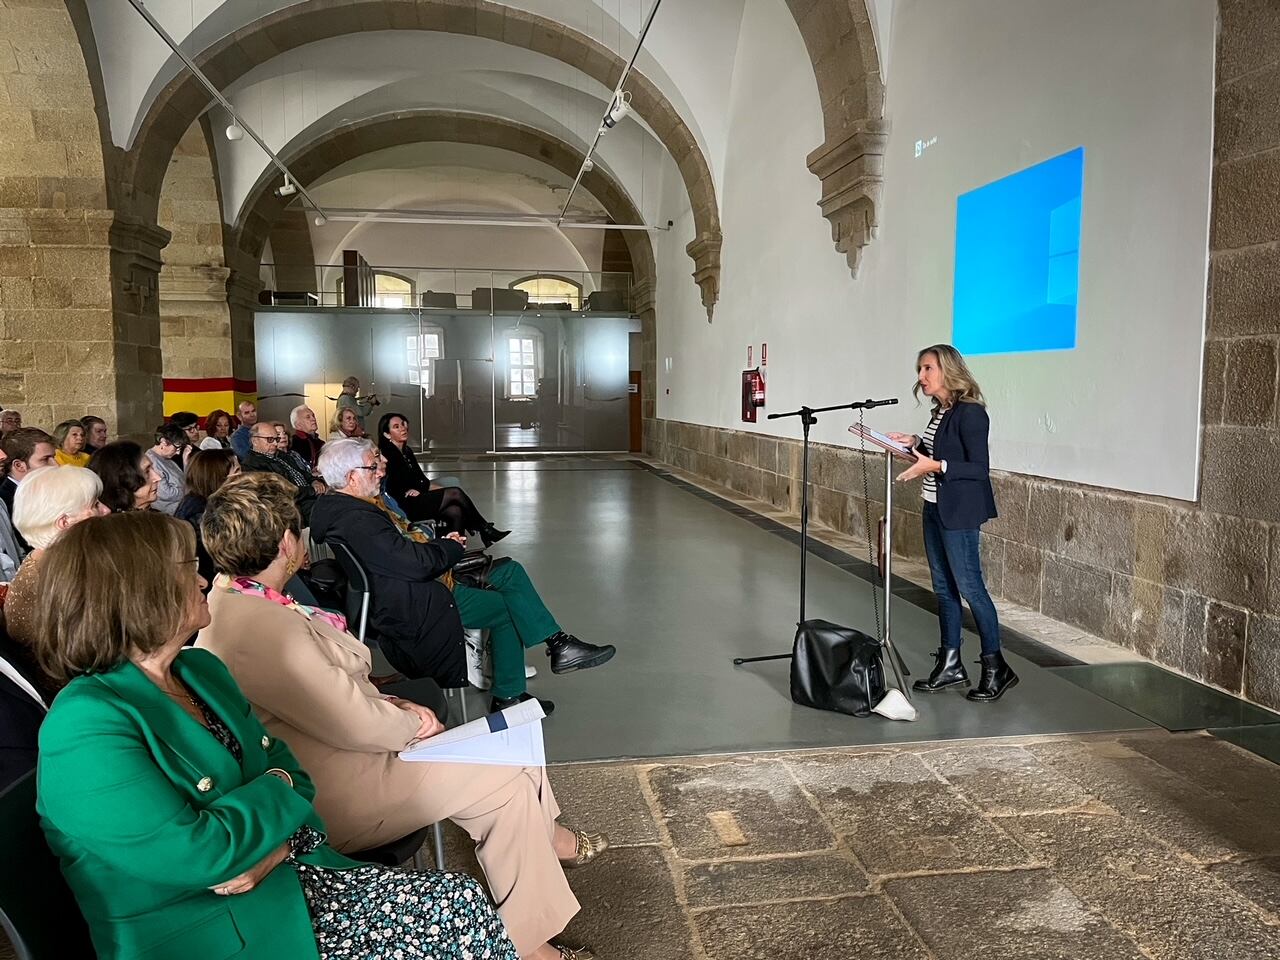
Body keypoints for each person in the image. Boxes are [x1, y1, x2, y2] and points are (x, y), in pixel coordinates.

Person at [32, 512, 520, 960]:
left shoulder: (199, 671)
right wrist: (278, 791)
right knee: (456, 918)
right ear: (140, 592)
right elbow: (207, 857)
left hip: (286, 874)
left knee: (460, 898)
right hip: (208, 929)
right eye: (186, 569)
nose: (203, 579)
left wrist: (277, 831)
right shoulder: (84, 725)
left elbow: (292, 773)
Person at [198, 474, 606, 960]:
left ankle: (533, 912)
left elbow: (318, 701)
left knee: (512, 760)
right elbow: (352, 722)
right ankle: (530, 940)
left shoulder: (235, 598)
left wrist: (392, 705)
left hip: (332, 757)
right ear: (287, 542)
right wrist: (414, 721)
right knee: (508, 772)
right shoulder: (264, 630)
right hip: (335, 788)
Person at [310, 440, 616, 714]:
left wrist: (437, 543)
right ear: (351, 477)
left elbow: (403, 549)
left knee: (510, 571)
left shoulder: (353, 508)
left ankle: (559, 645)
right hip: (419, 600)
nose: (380, 470)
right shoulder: (359, 520)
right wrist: (449, 546)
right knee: (506, 608)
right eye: (372, 465)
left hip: (420, 582)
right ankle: (512, 692)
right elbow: (412, 563)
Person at [888, 343, 1017, 702]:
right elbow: (940, 453)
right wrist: (914, 443)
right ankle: (950, 664)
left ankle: (996, 668)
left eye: (927, 368)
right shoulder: (942, 412)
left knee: (971, 589)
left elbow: (978, 469)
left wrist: (936, 466)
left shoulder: (971, 413)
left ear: (947, 370)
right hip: (934, 506)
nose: (921, 377)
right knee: (944, 591)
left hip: (959, 514)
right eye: (919, 370)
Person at [378, 411, 509, 544]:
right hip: (406, 505)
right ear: (387, 434)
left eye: (403, 424)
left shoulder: (407, 451)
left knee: (455, 511)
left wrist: (426, 489)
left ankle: (457, 550)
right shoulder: (388, 455)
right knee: (455, 492)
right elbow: (393, 486)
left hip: (419, 497)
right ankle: (484, 528)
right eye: (396, 427)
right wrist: (414, 489)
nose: (403, 428)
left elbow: (421, 480)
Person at [176, 449, 241, 585]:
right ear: (218, 477)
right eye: (237, 472)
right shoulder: (201, 514)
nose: (242, 476)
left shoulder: (212, 504)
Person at [241, 422, 317, 524]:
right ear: (255, 441)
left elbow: (303, 472)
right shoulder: (252, 464)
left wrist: (314, 481)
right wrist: (312, 490)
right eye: (270, 440)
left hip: (308, 496)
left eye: (276, 439)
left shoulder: (281, 455)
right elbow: (280, 492)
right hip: (293, 506)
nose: (275, 444)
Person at [89, 440, 161, 513]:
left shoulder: (157, 518)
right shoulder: (112, 523)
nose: (158, 478)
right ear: (121, 480)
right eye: (147, 472)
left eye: (152, 468)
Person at [145, 423, 189, 515]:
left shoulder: (168, 459)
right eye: (177, 448)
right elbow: (166, 493)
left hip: (181, 508)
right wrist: (186, 490)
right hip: (169, 513)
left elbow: (183, 480)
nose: (178, 453)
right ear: (163, 442)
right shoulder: (151, 461)